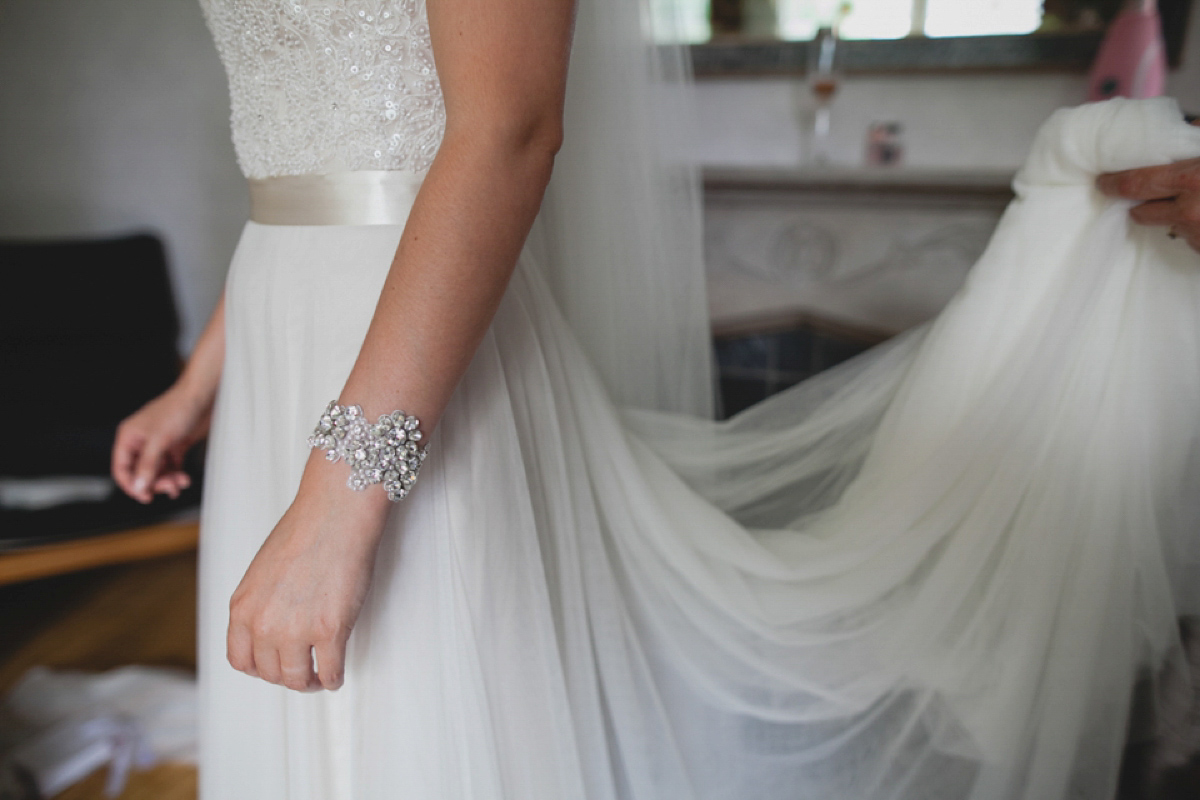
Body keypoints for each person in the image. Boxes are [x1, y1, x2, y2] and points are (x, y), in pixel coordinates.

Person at [110, 0, 1200, 796]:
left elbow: (507, 135)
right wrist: (203, 375)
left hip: (416, 363)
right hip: (277, 319)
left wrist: (343, 488)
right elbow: (296, 162)